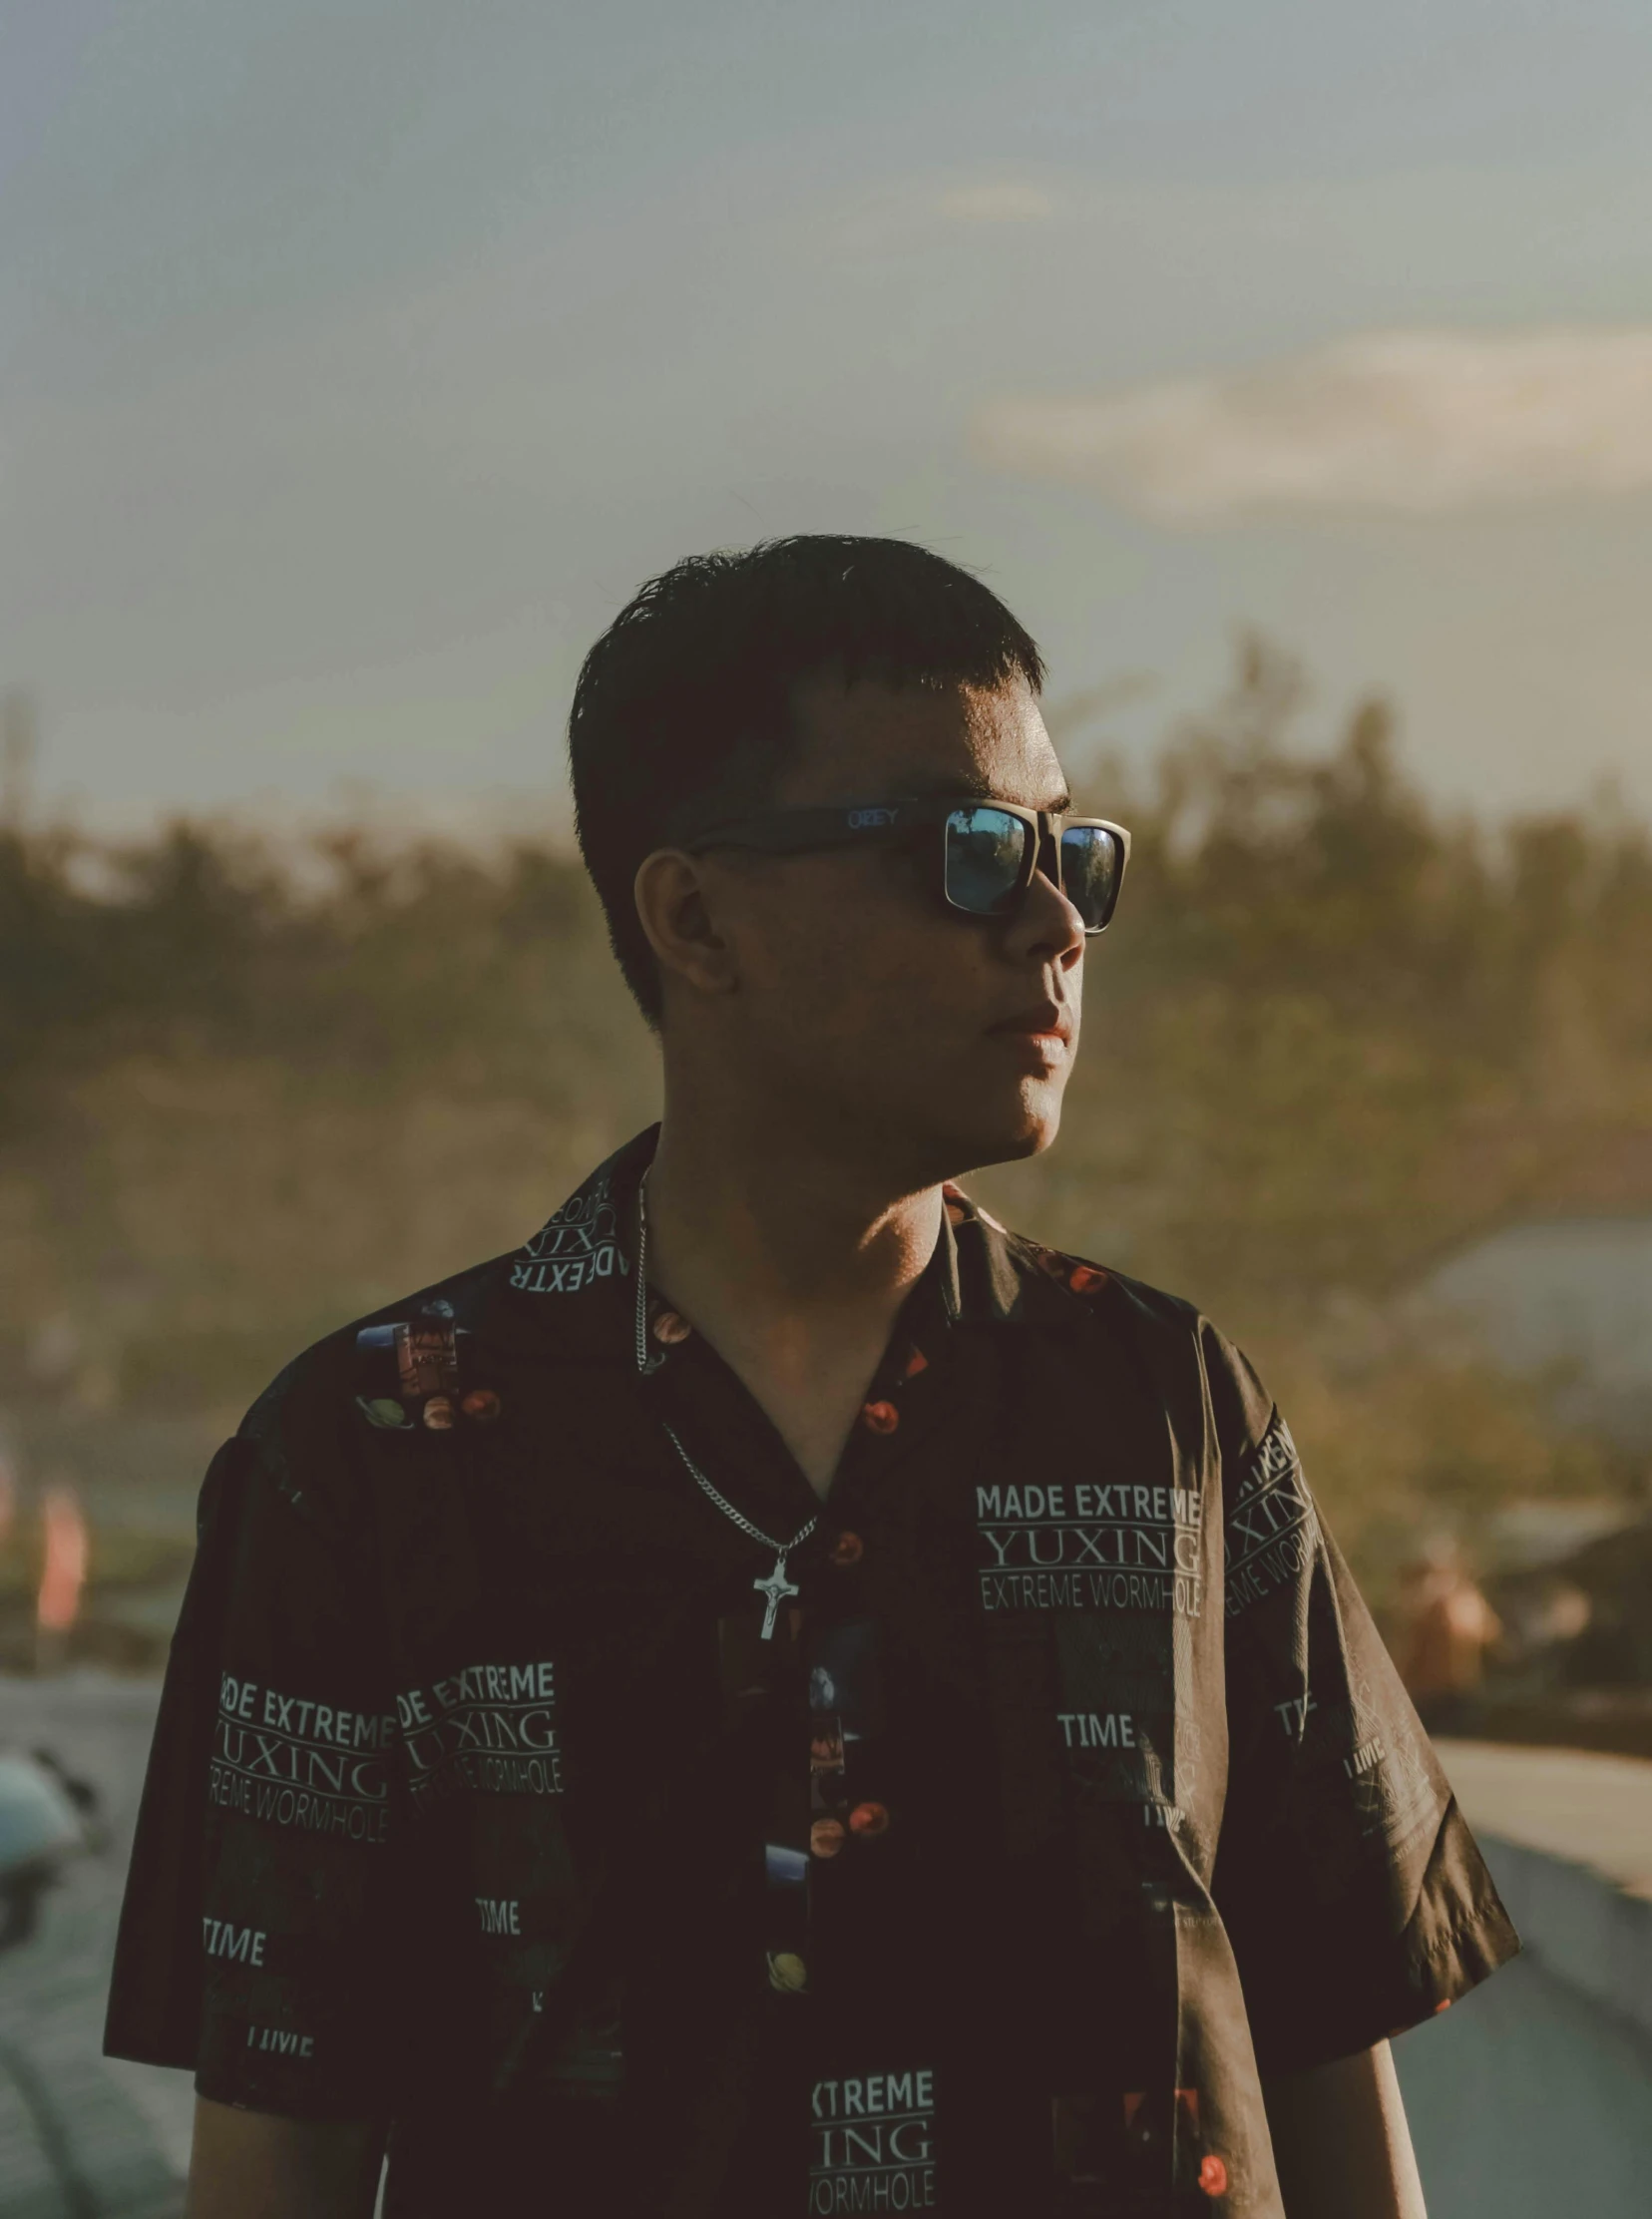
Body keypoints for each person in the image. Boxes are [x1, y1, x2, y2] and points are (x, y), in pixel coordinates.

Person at [105, 536, 1517, 2217]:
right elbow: (281, 2152)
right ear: (696, 917)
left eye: (1073, 851)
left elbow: (1333, 2073)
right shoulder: (372, 1453)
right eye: (971, 851)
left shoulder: (1171, 1416)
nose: (1057, 922)